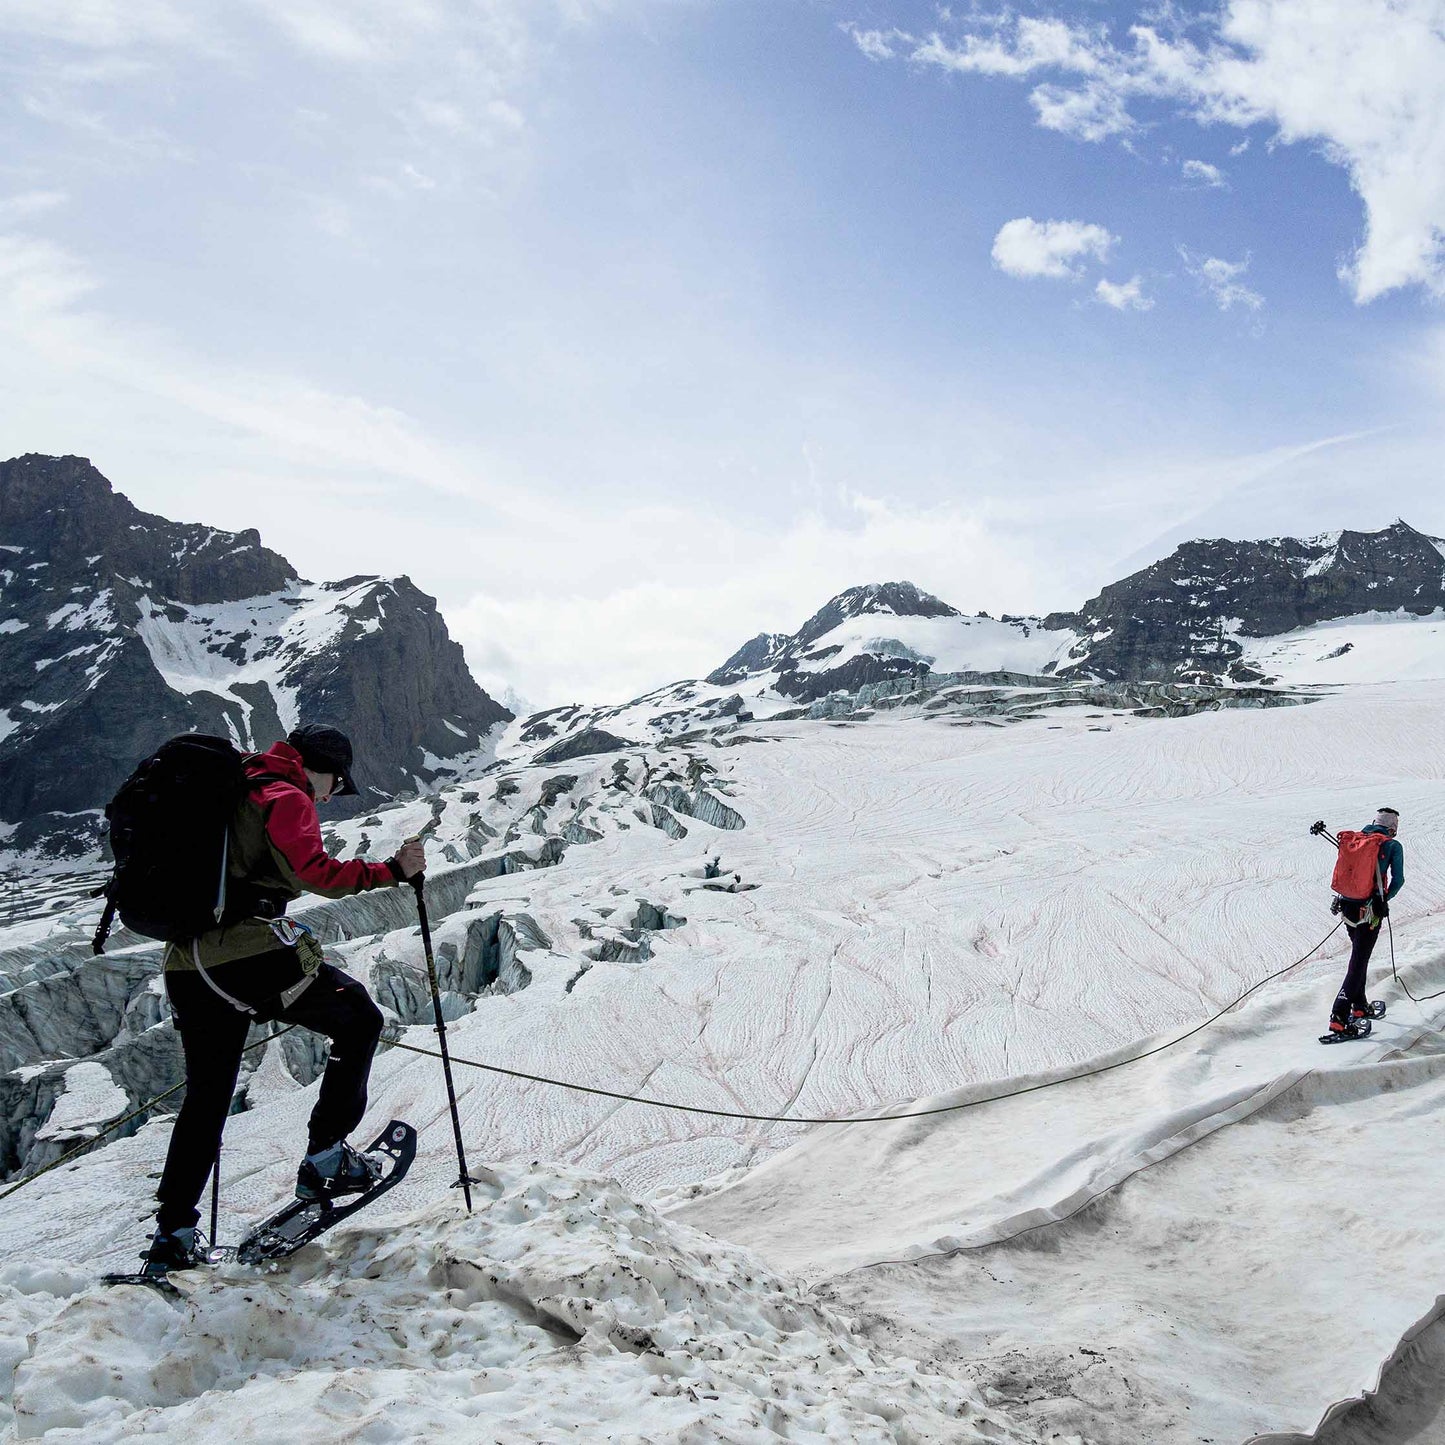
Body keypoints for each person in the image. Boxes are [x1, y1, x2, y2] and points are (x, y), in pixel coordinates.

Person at [143, 724, 425, 1272]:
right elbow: (315, 872)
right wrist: (392, 871)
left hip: (186, 965)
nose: (328, 798)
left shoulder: (230, 786)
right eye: (334, 786)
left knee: (206, 1098)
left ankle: (173, 1234)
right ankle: (326, 1160)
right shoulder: (284, 794)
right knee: (360, 1017)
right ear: (321, 769)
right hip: (250, 956)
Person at [1326, 807, 1404, 1039]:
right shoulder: (1391, 845)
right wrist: (1384, 899)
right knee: (1358, 962)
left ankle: (1359, 1005)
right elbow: (1398, 879)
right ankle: (1338, 1018)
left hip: (1347, 906)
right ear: (1393, 828)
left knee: (1359, 955)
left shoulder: (1356, 840)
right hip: (1370, 910)